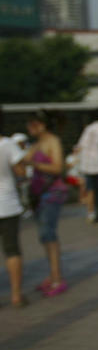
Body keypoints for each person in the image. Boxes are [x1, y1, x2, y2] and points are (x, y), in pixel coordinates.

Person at [23, 112, 69, 297]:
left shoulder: (52, 141)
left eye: (32, 124)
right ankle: (52, 275)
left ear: (41, 124)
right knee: (44, 235)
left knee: (49, 234)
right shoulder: (36, 144)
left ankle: (57, 277)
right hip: (39, 194)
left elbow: (58, 167)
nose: (30, 129)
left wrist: (34, 163)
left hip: (52, 193)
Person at [0, 111, 27, 307]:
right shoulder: (8, 144)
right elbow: (21, 172)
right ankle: (16, 295)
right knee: (12, 250)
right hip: (7, 204)